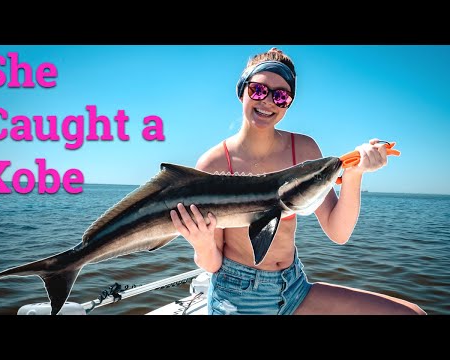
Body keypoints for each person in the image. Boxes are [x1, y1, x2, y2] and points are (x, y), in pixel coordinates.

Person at [170, 47, 426, 315]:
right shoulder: (214, 164)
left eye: (281, 96)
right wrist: (201, 242)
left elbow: (338, 233)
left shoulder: (304, 150)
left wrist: (354, 174)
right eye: (258, 90)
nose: (268, 101)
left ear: (288, 103)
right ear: (242, 91)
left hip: (294, 287)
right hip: (237, 296)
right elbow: (211, 264)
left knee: (411, 313)